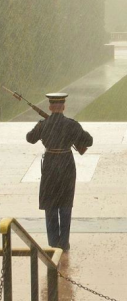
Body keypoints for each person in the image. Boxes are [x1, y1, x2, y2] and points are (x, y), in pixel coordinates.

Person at [26, 93, 93, 251]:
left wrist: (42, 126)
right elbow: (89, 140)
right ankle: (64, 242)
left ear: (50, 107)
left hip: (50, 165)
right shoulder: (71, 125)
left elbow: (30, 138)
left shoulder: (43, 124)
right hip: (66, 165)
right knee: (65, 204)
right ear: (63, 107)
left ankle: (53, 242)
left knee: (50, 204)